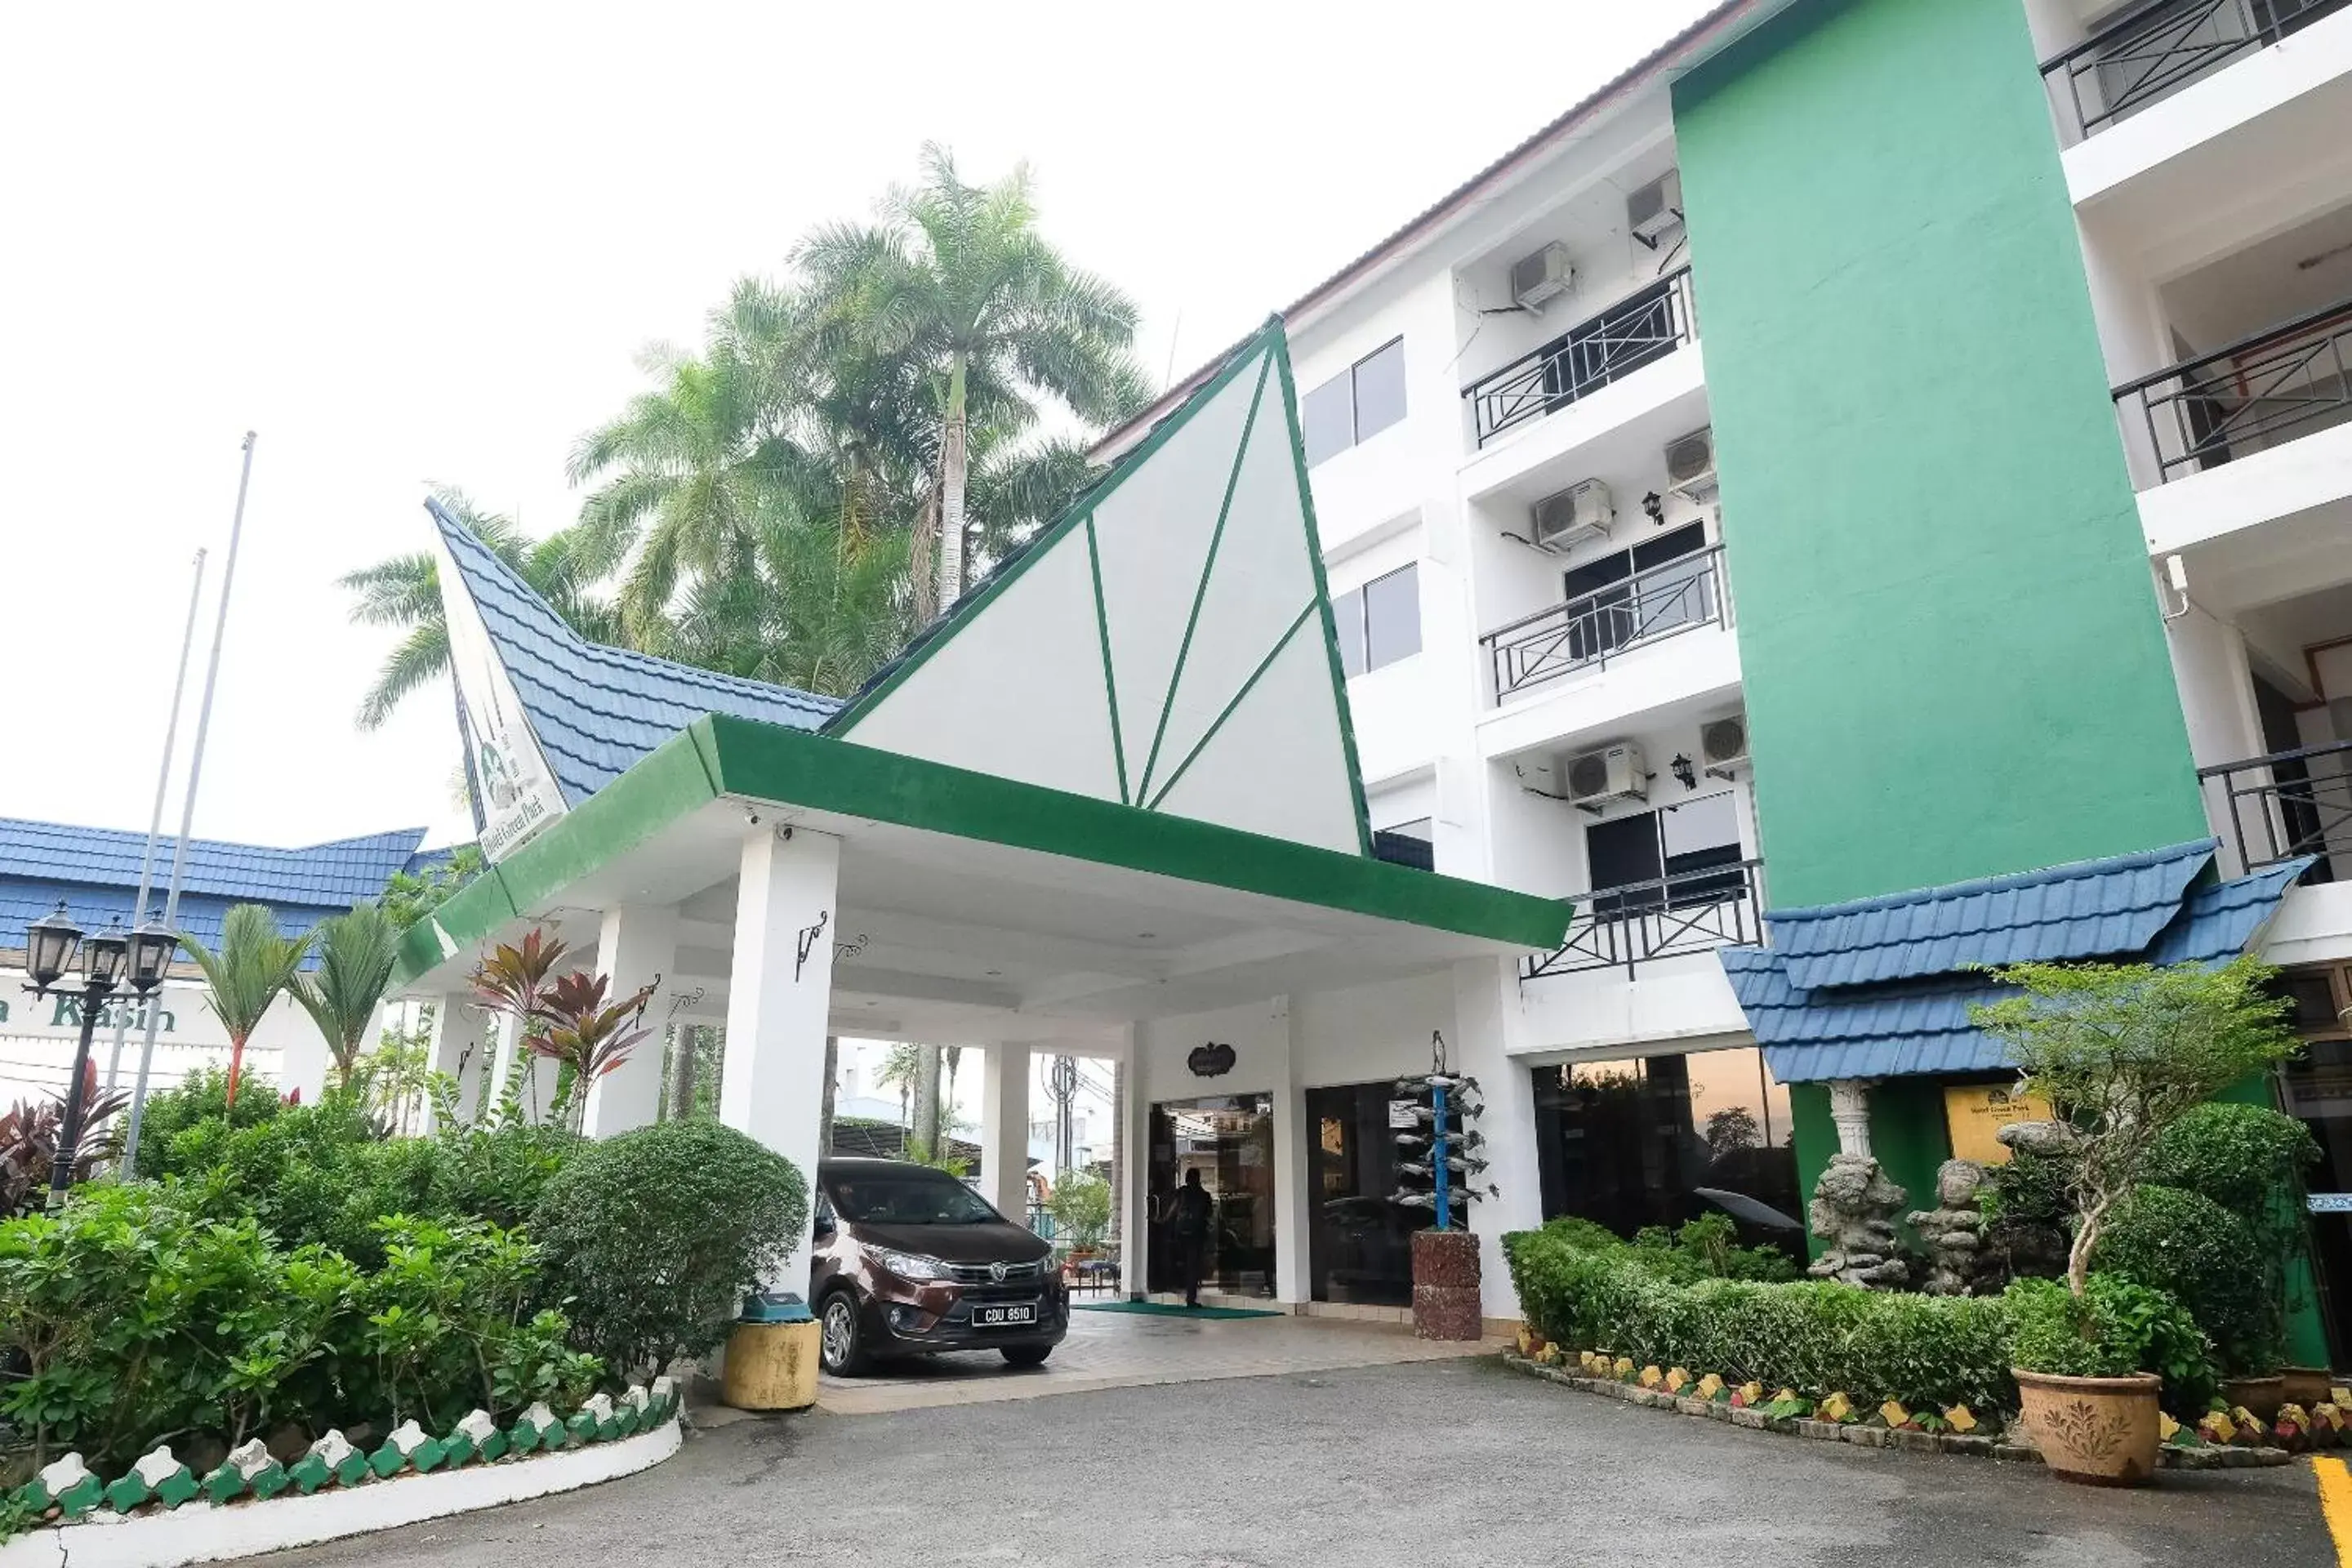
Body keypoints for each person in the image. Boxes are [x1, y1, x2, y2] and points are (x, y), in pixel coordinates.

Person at [1166, 1169, 1214, 1308]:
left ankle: (1176, 1287)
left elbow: (1173, 1209)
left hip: (1180, 1232)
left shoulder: (1181, 1192)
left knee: (1182, 1263)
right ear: (1198, 1178)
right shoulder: (1204, 1195)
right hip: (1197, 1234)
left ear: (1187, 1179)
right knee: (1193, 1265)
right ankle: (1190, 1298)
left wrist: (1164, 1220)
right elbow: (1209, 1214)